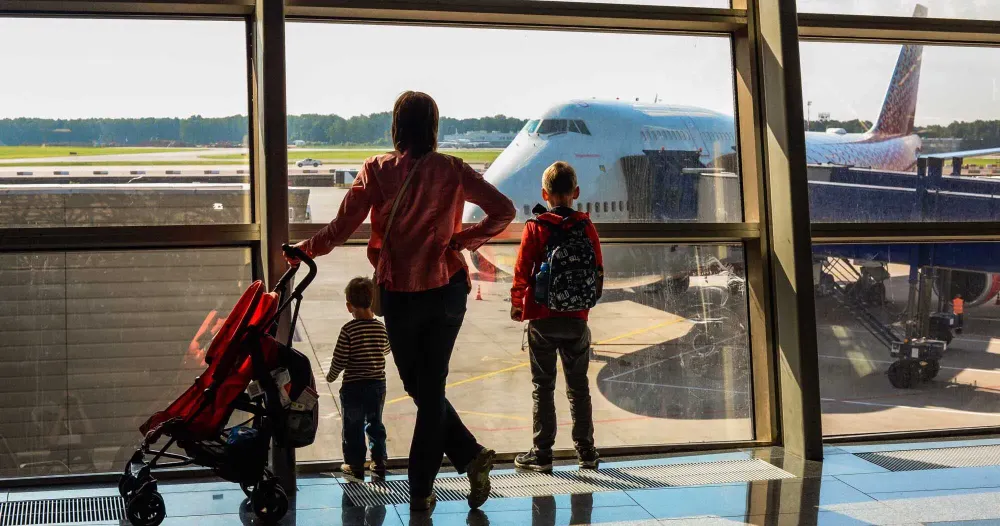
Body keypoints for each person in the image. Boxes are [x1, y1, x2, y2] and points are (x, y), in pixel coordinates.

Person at [289, 91, 515, 512]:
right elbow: (503, 211)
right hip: (445, 291)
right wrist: (463, 240)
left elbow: (341, 227)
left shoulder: (376, 170)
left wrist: (306, 249)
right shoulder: (452, 169)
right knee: (426, 391)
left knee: (424, 391)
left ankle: (419, 492)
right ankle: (468, 456)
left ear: (396, 126)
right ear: (433, 127)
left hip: (397, 295)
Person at [510, 161, 603, 473]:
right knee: (579, 387)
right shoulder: (586, 226)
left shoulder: (536, 227)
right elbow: (597, 270)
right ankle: (587, 452)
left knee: (543, 386)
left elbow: (522, 271)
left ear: (544, 194)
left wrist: (517, 305)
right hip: (578, 318)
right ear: (575, 193)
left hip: (542, 318)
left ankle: (542, 453)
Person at [326, 277, 391, 482]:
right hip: (377, 385)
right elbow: (387, 349)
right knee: (375, 424)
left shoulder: (348, 330)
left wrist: (331, 375)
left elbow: (340, 358)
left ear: (349, 306)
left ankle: (354, 464)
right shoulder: (381, 328)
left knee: (352, 427)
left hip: (353, 386)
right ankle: (379, 461)